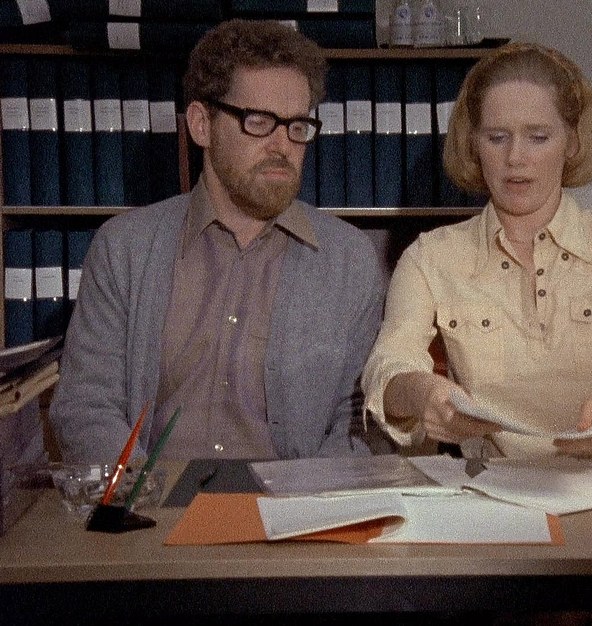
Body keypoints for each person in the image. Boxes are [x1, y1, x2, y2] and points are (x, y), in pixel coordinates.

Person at [50, 20, 385, 462]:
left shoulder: (350, 260)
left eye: (298, 126)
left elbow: (360, 423)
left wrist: (304, 498)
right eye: (259, 121)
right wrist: (143, 492)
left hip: (294, 501)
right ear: (201, 124)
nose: (283, 146)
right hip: (152, 498)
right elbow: (85, 405)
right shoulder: (125, 248)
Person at [361, 42, 592, 460]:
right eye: (497, 138)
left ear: (572, 142)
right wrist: (420, 393)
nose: (516, 158)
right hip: (488, 486)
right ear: (474, 145)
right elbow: (389, 367)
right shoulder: (429, 257)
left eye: (538, 137)